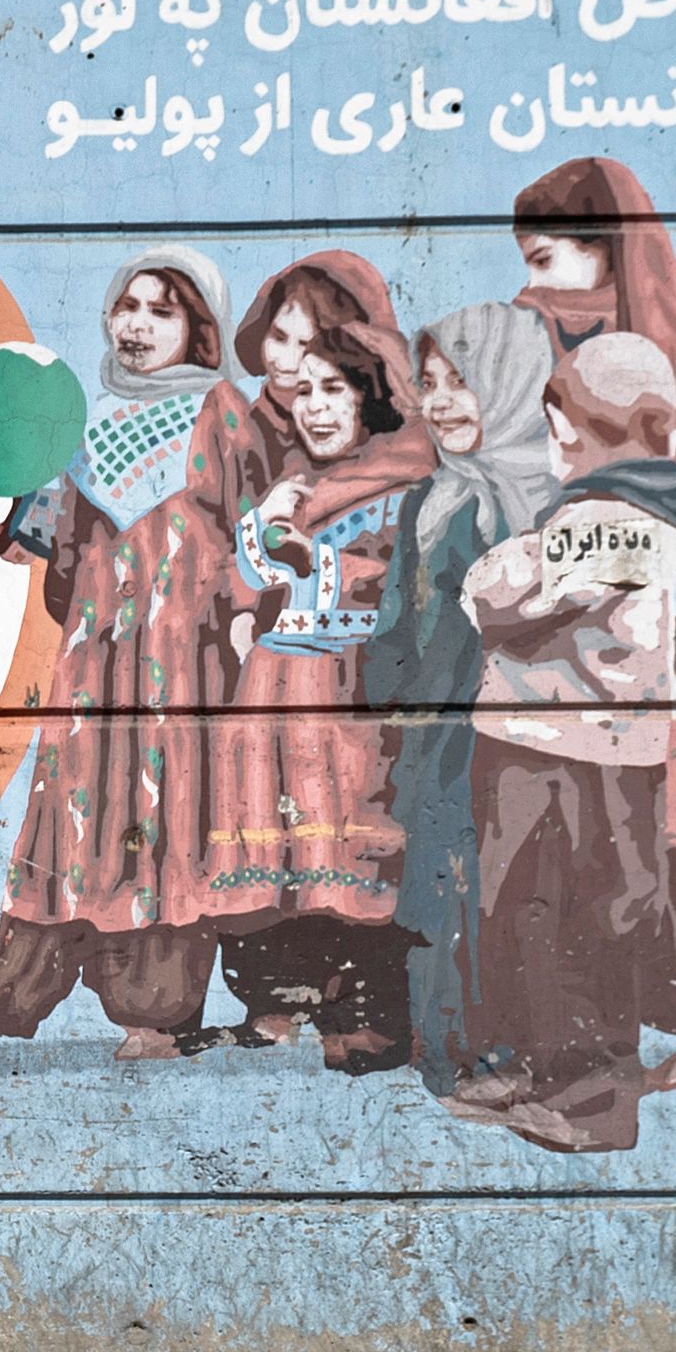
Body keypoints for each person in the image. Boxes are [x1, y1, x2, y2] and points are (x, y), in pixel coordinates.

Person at [0, 249, 270, 1062]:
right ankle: (2, 1003)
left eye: (163, 310)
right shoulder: (83, 418)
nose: (138, 324)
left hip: (183, 658)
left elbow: (259, 530)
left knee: (164, 820)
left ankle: (154, 1016)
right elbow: (63, 528)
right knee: (70, 814)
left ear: (199, 330)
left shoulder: (223, 412)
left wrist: (240, 621)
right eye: (128, 305)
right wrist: (23, 538)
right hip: (95, 656)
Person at [510, 160, 676, 1093]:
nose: (528, 281)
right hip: (633, 608)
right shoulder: (630, 333)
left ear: (602, 251)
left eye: (545, 258)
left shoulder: (649, 344)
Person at [456, 334, 676, 1152]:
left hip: (552, 753)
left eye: (557, 424)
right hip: (619, 757)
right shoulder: (670, 522)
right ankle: (540, 1070)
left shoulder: (605, 522)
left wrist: (500, 570)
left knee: (549, 914)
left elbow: (499, 593)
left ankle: (588, 1102)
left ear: (581, 428)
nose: (552, 442)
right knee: (584, 916)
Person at [191, 254, 440, 1068]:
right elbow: (236, 584)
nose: (318, 406)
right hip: (275, 693)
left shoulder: (405, 478)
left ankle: (363, 1015)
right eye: (305, 392)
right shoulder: (295, 483)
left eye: (337, 389)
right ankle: (274, 1007)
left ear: (371, 397)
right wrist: (264, 538)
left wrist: (312, 564)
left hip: (352, 693)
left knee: (352, 849)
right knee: (276, 851)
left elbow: (401, 579)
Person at [367, 304, 561, 1094]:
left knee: (521, 888)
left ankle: (523, 1050)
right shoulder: (433, 501)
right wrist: (393, 711)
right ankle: (453, 1054)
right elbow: (397, 625)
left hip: (531, 740)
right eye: (432, 383)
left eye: (463, 382)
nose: (441, 401)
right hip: (440, 740)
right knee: (441, 890)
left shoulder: (555, 505)